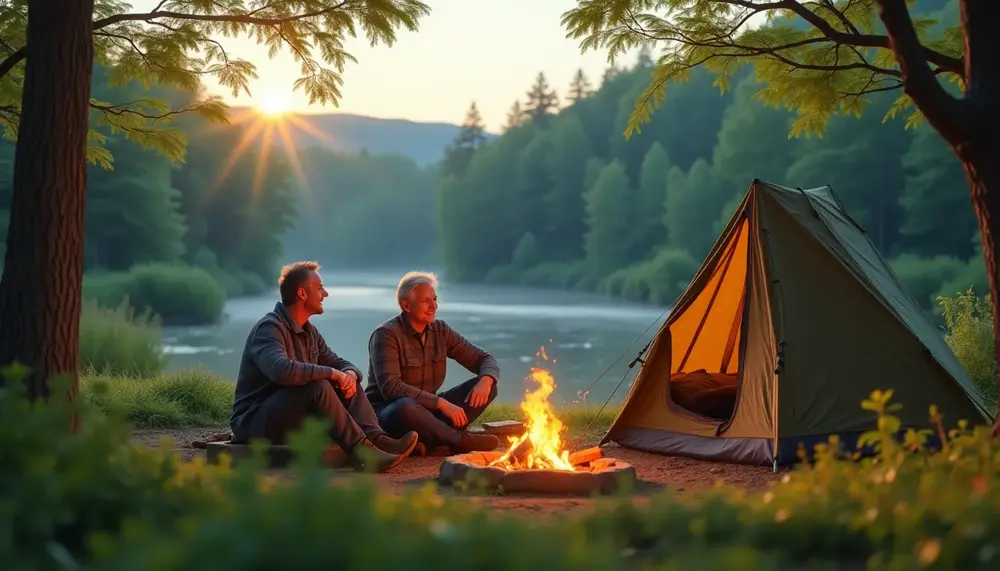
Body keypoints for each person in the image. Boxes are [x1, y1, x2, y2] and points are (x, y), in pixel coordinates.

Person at [229, 261, 418, 473]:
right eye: (319, 288)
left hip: (288, 416)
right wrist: (331, 374)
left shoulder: (309, 332)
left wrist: (347, 374)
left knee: (347, 381)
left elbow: (341, 364)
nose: (325, 294)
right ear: (302, 293)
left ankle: (378, 439)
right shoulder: (269, 329)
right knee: (318, 385)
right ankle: (363, 454)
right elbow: (282, 371)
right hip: (253, 422)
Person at [365, 271, 502, 456]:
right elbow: (391, 387)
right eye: (425, 301)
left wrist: (486, 381)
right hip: (390, 415)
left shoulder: (441, 330)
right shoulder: (386, 335)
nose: (433, 306)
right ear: (406, 305)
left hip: (429, 413)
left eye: (435, 299)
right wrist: (441, 403)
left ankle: (431, 440)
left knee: (489, 386)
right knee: (406, 406)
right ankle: (460, 440)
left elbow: (484, 359)